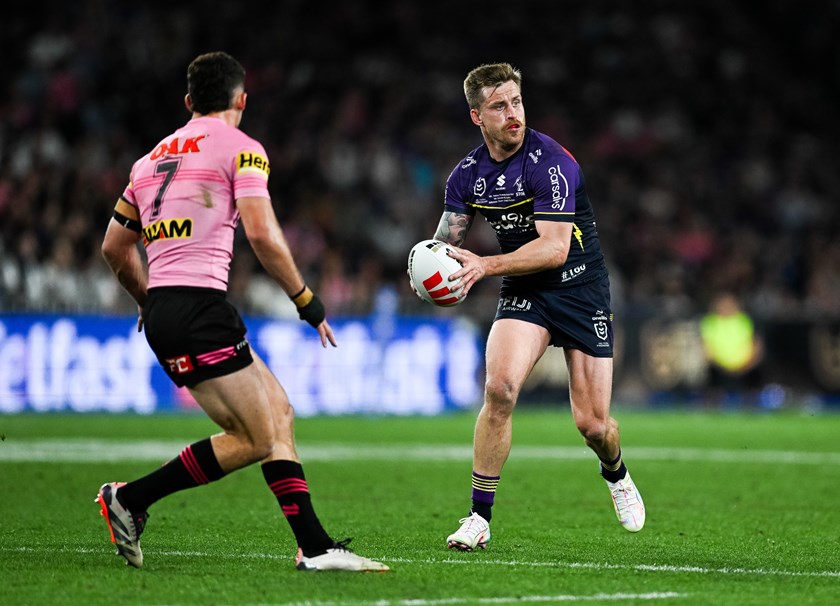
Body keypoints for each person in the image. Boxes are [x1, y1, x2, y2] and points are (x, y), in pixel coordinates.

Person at [97, 51, 388, 572]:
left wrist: (147, 301)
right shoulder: (243, 149)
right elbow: (261, 232)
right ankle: (131, 499)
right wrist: (306, 299)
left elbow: (115, 248)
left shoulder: (149, 160)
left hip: (172, 305)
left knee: (278, 413)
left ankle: (316, 547)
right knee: (255, 437)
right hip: (199, 308)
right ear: (242, 100)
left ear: (189, 102)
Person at [416, 62, 645, 550]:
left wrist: (484, 266)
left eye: (516, 101)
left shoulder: (553, 162)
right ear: (477, 116)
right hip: (526, 289)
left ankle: (616, 473)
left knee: (593, 425)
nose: (513, 113)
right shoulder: (466, 176)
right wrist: (428, 269)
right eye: (499, 106)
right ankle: (479, 518)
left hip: (580, 287)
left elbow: (555, 249)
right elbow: (446, 242)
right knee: (498, 390)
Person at [699, 291, 765, 405]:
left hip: (746, 368)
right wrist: (720, 365)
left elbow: (756, 345)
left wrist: (749, 364)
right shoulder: (710, 322)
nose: (726, 307)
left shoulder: (746, 320)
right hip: (718, 369)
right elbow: (706, 348)